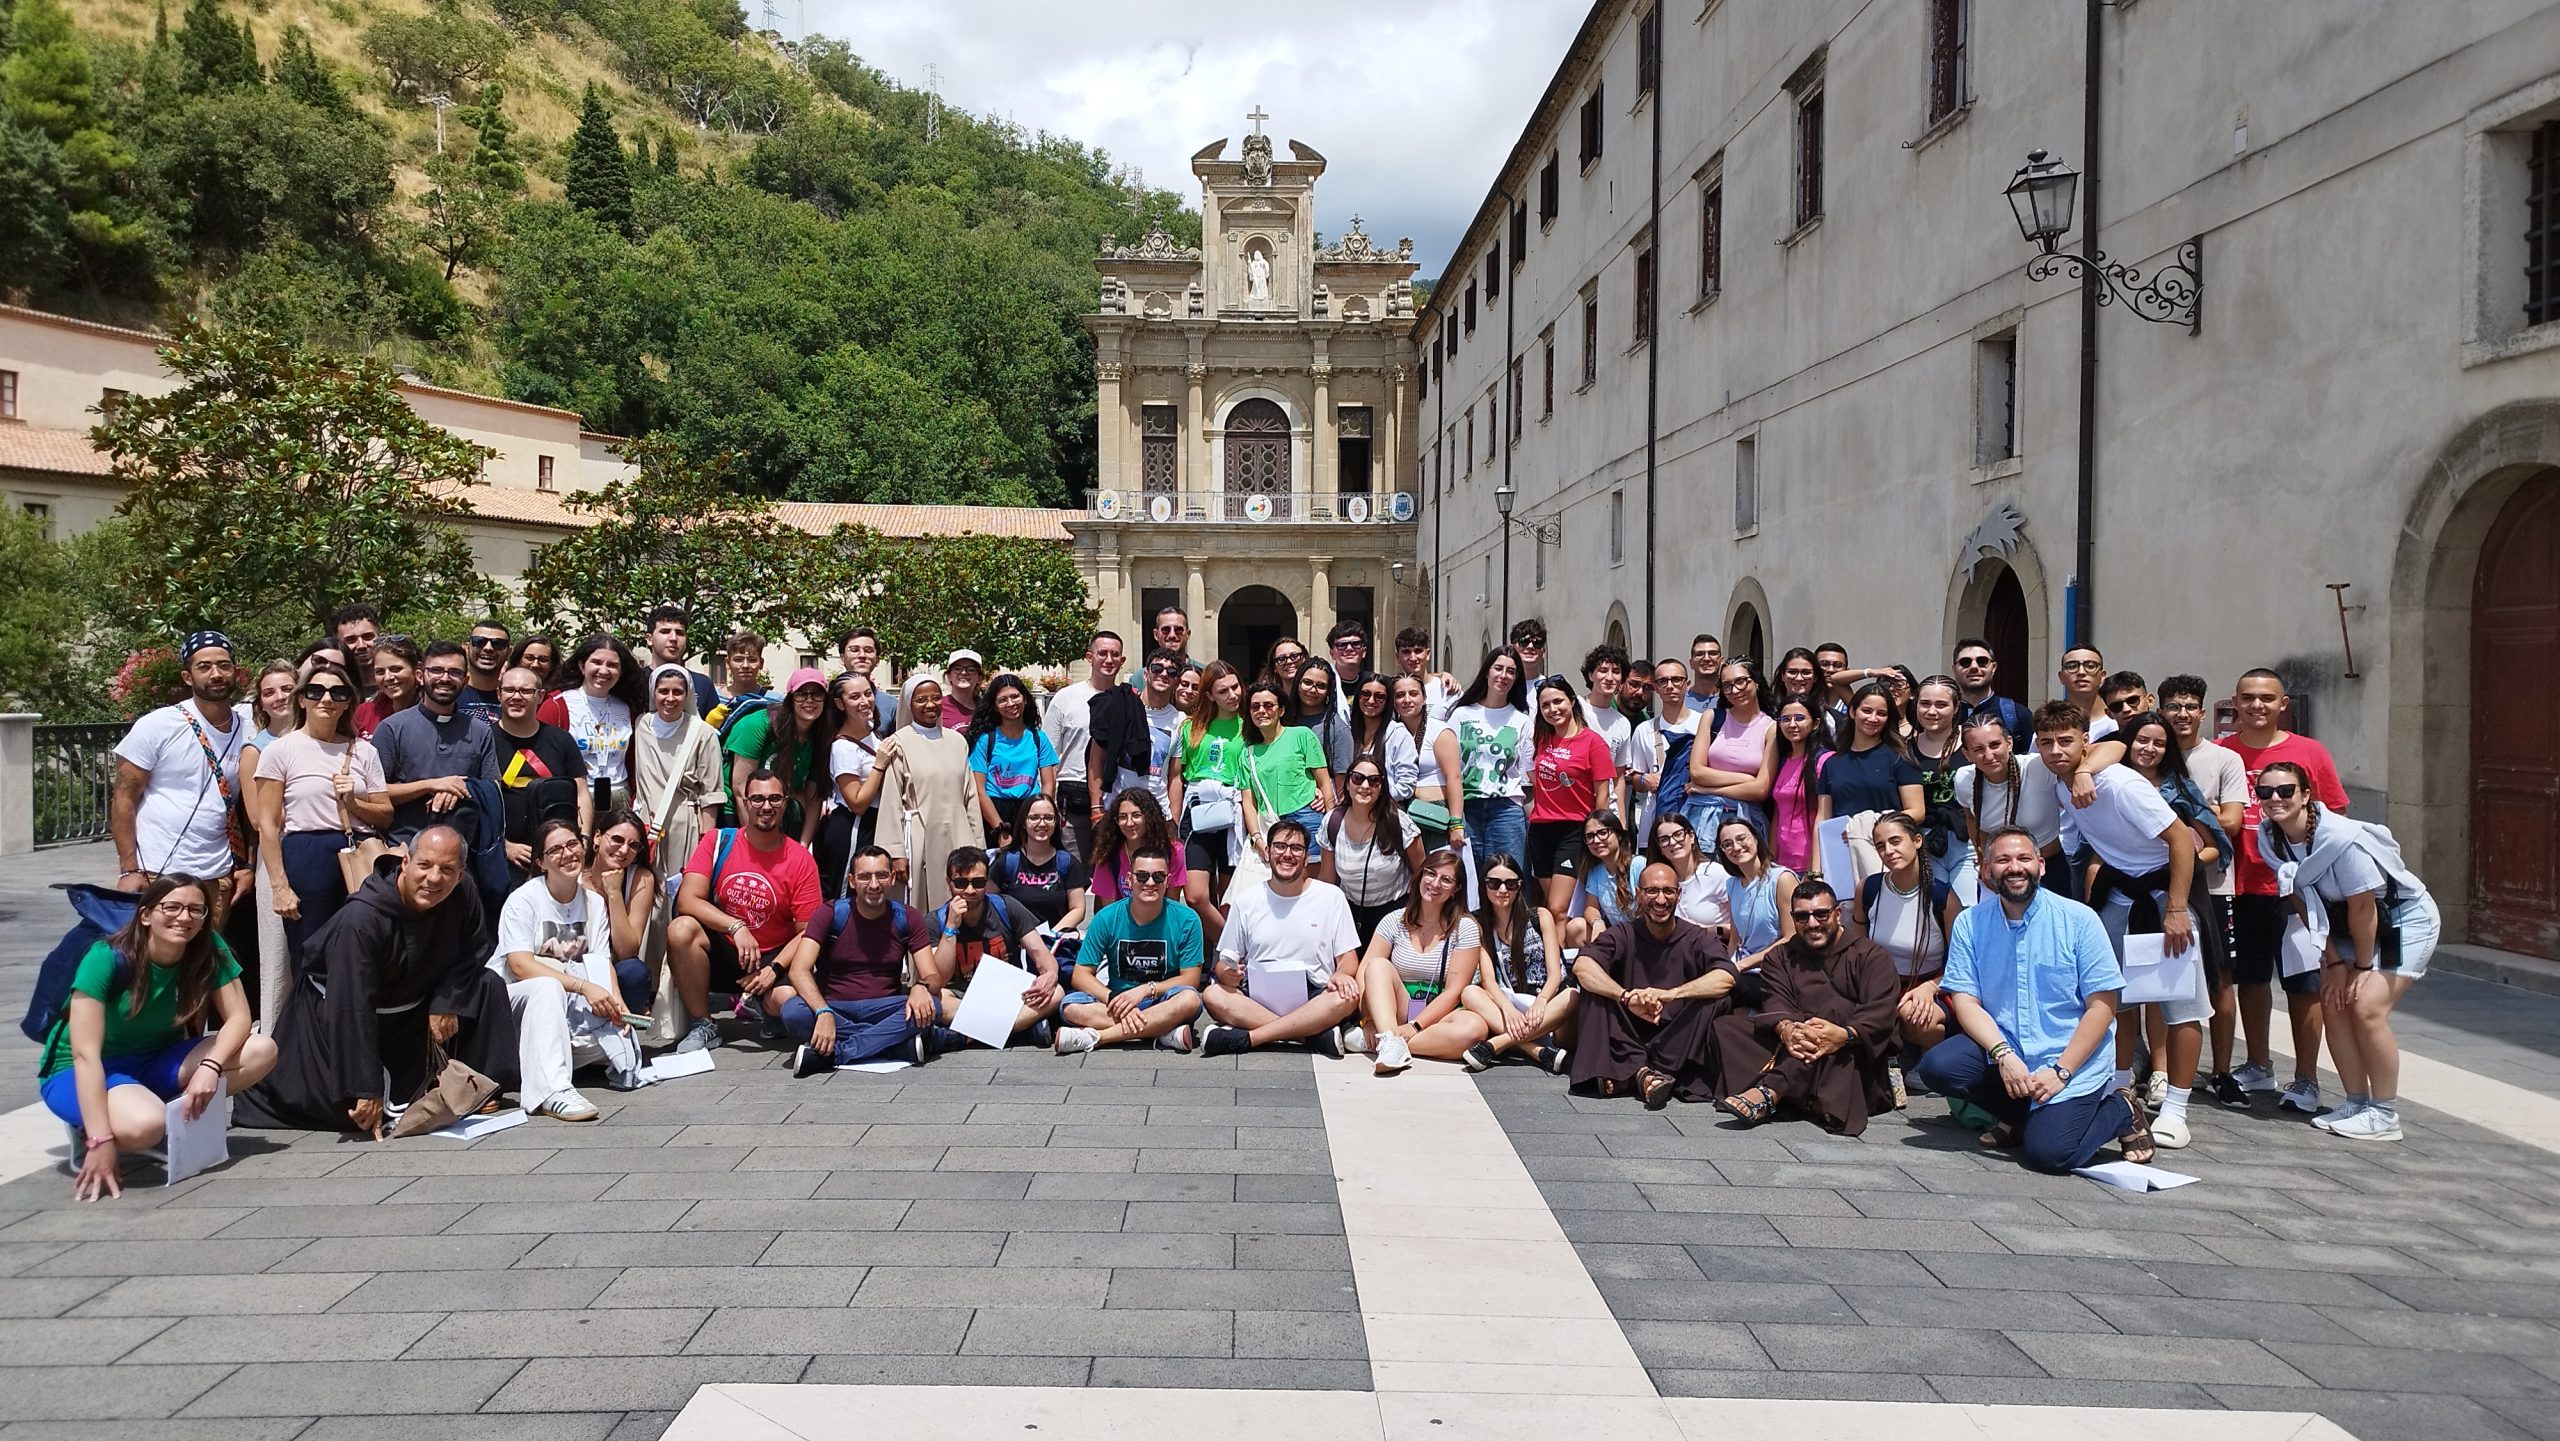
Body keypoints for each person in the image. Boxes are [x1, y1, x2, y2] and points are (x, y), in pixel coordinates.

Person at [235, 828, 520, 1134]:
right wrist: (365, 1087)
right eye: (424, 865)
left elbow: (474, 949)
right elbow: (352, 1005)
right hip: (336, 1014)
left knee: (487, 983)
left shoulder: (463, 891)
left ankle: (483, 1085)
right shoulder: (362, 919)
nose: (434, 878)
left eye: (447, 870)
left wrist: (446, 1000)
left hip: (410, 1006)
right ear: (406, 862)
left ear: (460, 873)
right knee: (352, 1116)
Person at [1914, 828, 2150, 1168]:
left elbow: (2102, 1007)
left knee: (2049, 1155)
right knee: (1939, 1067)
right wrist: (2003, 1054)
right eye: (2003, 860)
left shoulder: (2079, 920)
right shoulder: (1970, 923)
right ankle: (2017, 1115)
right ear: (1986, 870)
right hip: (2008, 1045)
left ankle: (2120, 1109)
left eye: (2024, 859)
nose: (2015, 868)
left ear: (2041, 866)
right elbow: (1966, 1000)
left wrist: (2061, 1072)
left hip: (2068, 1056)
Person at [41, 874, 279, 1201]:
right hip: (81, 1070)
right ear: (145, 914)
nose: (184, 917)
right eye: (172, 907)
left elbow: (239, 1018)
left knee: (261, 1050)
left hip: (157, 1058)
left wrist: (210, 1067)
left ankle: (156, 1116)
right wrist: (100, 1139)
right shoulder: (106, 956)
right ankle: (99, 1127)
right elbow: (85, 1055)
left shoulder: (207, 945)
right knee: (145, 1126)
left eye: (195, 910)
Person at [2034, 702, 2206, 1150]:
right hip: (2118, 893)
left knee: (2179, 1002)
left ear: (2084, 741)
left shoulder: (2119, 783)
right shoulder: (2057, 778)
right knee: (2113, 996)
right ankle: (2117, 1087)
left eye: (2066, 741)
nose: (2056, 750)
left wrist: (2176, 908)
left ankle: (2177, 1108)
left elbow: (2179, 839)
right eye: (2047, 742)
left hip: (2164, 891)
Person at [2257, 761, 2439, 1142]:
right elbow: (2300, 898)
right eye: (2265, 791)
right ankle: (2356, 1103)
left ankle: (2385, 1114)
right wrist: (2333, 961)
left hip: (2401, 919)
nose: (2275, 799)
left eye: (2286, 791)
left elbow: (2364, 908)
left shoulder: (2341, 840)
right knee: (2333, 1001)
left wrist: (2359, 967)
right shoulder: (2270, 836)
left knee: (2367, 1007)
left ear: (2306, 795)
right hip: (2339, 923)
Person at [2224, 668, 2349, 1115]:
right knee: (2251, 979)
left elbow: (2335, 818)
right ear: (2235, 702)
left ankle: (2307, 1079)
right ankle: (2258, 1064)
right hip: (2243, 886)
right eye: (2248, 697)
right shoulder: (2224, 753)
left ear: (2283, 704)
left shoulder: (2310, 752)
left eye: (2266, 698)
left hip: (2300, 893)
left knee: (2303, 984)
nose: (2256, 705)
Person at [1712, 880, 1899, 1134]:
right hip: (1795, 1041)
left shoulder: (1870, 956)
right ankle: (1806, 1094)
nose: (1812, 924)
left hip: (1850, 1049)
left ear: (1837, 913)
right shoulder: (1780, 956)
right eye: (1802, 917)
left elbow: (1881, 1011)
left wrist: (1844, 1034)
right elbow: (1775, 1000)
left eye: (1821, 914)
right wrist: (1787, 1029)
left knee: (1836, 1010)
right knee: (1726, 1027)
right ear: (1792, 919)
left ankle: (1772, 1090)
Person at [492, 820, 646, 1121]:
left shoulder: (594, 903)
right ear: (541, 862)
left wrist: (616, 1001)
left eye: (573, 844)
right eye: (555, 850)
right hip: (513, 1000)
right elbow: (519, 966)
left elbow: (600, 960)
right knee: (547, 987)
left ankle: (541, 1063)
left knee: (621, 1039)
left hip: (567, 1005)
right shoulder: (524, 900)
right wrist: (583, 987)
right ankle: (553, 1091)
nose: (567, 854)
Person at [664, 770, 825, 1053]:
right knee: (680, 930)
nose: (766, 806)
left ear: (785, 803)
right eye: (758, 799)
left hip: (773, 955)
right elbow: (687, 901)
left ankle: (768, 1010)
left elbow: (808, 931)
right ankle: (704, 1024)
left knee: (792, 1007)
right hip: (725, 949)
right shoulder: (717, 841)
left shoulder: (800, 859)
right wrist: (736, 926)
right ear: (745, 803)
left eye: (774, 799)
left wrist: (775, 969)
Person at [251, 662, 391, 971]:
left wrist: (353, 803)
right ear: (301, 699)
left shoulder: (364, 751)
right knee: (312, 954)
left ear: (348, 703)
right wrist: (280, 887)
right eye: (316, 691)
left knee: (365, 953)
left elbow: (385, 815)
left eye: (338, 693)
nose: (326, 699)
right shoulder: (280, 750)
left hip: (360, 855)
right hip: (307, 855)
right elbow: (268, 825)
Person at [2155, 673, 2251, 1107]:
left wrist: (2195, 813)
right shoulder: (2152, 751)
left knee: (2220, 978)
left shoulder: (2223, 759)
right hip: (2160, 885)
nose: (2182, 714)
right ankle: (2164, 1070)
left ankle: (2223, 1071)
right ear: (2161, 710)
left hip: (2213, 885)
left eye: (2190, 706)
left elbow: (2231, 821)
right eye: (2174, 707)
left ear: (2202, 711)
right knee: (2165, 977)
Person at [1570, 862, 1737, 1106]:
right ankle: (1647, 1075)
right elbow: (1582, 966)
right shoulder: (1623, 933)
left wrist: (1671, 994)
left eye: (1668, 891)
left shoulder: (1697, 937)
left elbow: (1726, 977)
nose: (1660, 900)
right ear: (1638, 894)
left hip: (1677, 1039)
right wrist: (1625, 996)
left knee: (1721, 999)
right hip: (1627, 1032)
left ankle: (1635, 1074)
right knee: (1594, 989)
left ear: (1679, 895)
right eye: (1652, 891)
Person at [112, 631, 248, 922]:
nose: (216, 674)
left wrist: (245, 865)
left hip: (218, 874)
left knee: (207, 950)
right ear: (188, 677)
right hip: (158, 871)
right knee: (159, 948)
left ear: (235, 672)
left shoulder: (249, 728)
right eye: (204, 667)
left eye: (224, 665)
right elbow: (123, 798)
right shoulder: (157, 725)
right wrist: (129, 869)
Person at [1201, 818, 1361, 1057]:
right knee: (1213, 994)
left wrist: (1342, 973)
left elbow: (1348, 957)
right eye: (1280, 847)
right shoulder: (1246, 900)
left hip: (1315, 994)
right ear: (1268, 853)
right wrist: (1228, 974)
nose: (1287, 854)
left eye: (1296, 848)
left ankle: (1250, 1038)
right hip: (1258, 995)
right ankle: (1310, 1035)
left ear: (1306, 858)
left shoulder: (1331, 897)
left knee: (1347, 996)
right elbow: (1223, 962)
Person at [777, 847, 935, 1074]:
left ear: (892, 878)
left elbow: (932, 975)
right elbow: (799, 970)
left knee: (932, 1005)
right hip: (835, 1007)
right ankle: (889, 1044)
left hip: (885, 1008)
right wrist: (822, 1011)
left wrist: (921, 987)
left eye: (881, 875)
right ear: (851, 881)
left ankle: (837, 1054)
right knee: (793, 1011)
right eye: (864, 877)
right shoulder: (830, 913)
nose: (874, 884)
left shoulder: (908, 917)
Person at [852, 674, 986, 914]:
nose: (930, 704)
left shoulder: (957, 741)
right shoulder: (899, 743)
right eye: (921, 699)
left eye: (936, 698)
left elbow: (970, 797)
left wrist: (978, 844)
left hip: (959, 834)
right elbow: (891, 800)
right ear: (909, 704)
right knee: (920, 909)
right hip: (918, 838)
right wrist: (895, 852)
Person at [1055, 843, 1206, 1054]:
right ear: (1129, 879)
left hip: (1163, 999)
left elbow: (1190, 979)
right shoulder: (1106, 917)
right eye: (1142, 876)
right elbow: (1081, 975)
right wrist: (1113, 999)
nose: (1150, 883)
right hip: (1117, 1002)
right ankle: (1161, 1031)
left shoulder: (1187, 919)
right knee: (1070, 1006)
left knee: (1190, 999)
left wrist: (1146, 990)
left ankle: (1098, 1037)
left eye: (1158, 877)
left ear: (1168, 880)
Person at [1357, 849, 1491, 1074]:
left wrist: (1415, 1026)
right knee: (1377, 966)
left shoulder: (1465, 928)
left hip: (1440, 1012)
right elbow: (1364, 973)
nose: (1435, 883)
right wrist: (1368, 1019)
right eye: (1431, 874)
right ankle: (1389, 1039)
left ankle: (1386, 1041)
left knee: (1474, 1029)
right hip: (1398, 1006)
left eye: (1446, 880)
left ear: (1456, 889)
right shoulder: (1394, 920)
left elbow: (1454, 991)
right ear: (1420, 876)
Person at [921, 847, 1060, 1052]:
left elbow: (1043, 957)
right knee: (936, 1000)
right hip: (961, 996)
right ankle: (1020, 1030)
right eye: (961, 883)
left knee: (1057, 991)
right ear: (948, 883)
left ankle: (966, 1036)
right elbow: (939, 979)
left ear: (987, 882)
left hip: (1008, 993)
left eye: (978, 883)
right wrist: (950, 927)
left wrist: (1050, 974)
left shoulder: (1007, 907)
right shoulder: (934, 921)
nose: (969, 891)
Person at [1852, 812, 1963, 1059]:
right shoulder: (1868, 889)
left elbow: (1961, 963)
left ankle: (1932, 1060)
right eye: (1880, 846)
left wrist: (1930, 988)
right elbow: (1858, 949)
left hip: (1932, 984)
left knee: (1914, 1018)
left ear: (1917, 841)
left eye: (1895, 841)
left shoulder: (1942, 897)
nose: (1888, 851)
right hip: (1881, 983)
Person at [372, 641, 500, 845]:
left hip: (462, 850)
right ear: (420, 676)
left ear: (465, 681)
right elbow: (374, 793)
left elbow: (493, 790)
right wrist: (430, 785)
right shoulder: (392, 728)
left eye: (454, 672)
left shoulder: (480, 731)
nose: (445, 678)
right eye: (436, 671)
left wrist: (460, 788)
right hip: (403, 848)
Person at [1459, 853, 1574, 1070]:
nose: (1502, 890)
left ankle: (1496, 1044)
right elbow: (1488, 979)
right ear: (1484, 886)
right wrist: (1507, 1009)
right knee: (1469, 993)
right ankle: (1538, 1052)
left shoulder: (1540, 916)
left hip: (1549, 1006)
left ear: (1519, 886)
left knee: (1572, 996)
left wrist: (1541, 1001)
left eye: (1510, 884)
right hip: (1512, 1008)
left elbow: (1555, 973)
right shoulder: (1479, 925)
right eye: (1494, 883)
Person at [631, 663, 727, 915]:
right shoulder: (642, 725)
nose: (670, 698)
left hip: (684, 824)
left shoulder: (703, 733)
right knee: (643, 894)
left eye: (677, 692)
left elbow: (711, 792)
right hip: (644, 822)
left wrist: (707, 840)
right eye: (663, 691)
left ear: (688, 695)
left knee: (677, 896)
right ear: (653, 693)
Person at [1814, 682, 1924, 890]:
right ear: (1853, 712)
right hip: (1841, 855)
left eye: (1881, 713)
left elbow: (1917, 811)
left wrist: (1868, 825)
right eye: (1867, 711)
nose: (1873, 718)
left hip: (1886, 853)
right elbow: (1822, 820)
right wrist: (1816, 871)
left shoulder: (1900, 758)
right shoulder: (1832, 763)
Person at [1526, 675, 1617, 924]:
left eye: (1558, 701)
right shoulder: (1540, 740)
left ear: (1572, 701)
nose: (1553, 709)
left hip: (1575, 829)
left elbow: (1602, 795)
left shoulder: (1593, 742)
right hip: (1541, 830)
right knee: (1550, 910)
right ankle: (1559, 948)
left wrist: (1597, 834)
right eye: (1545, 705)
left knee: (1558, 908)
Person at [1166, 660, 1247, 925]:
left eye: (1235, 687)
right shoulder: (1190, 727)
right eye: (1223, 691)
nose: (1232, 695)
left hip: (1235, 811)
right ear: (1210, 695)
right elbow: (1176, 776)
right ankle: (1229, 944)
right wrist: (1173, 821)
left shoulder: (1249, 726)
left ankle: (1222, 950)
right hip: (1197, 808)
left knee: (1228, 897)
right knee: (1196, 896)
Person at [491, 666, 589, 876]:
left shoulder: (561, 740)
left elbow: (581, 792)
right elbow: (479, 802)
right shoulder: (484, 740)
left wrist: (584, 839)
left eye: (526, 691)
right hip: (504, 858)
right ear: (499, 694)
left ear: (540, 696)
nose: (516, 697)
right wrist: (504, 845)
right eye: (509, 690)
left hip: (559, 856)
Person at [540, 634, 645, 821]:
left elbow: (634, 761)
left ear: (621, 671)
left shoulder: (628, 708)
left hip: (620, 798)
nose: (603, 670)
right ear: (582, 666)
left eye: (612, 665)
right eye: (596, 662)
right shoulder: (557, 705)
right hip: (575, 799)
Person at [1317, 759, 1424, 943]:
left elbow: (1421, 874)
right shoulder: (1332, 822)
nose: (1365, 786)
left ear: (1382, 787)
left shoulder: (1399, 823)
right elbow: (1327, 879)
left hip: (1395, 916)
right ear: (1348, 783)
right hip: (1350, 915)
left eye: (1374, 781)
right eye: (1358, 778)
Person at [1954, 713, 2063, 892]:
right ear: (1967, 754)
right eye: (1978, 749)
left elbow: (2102, 749)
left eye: (1995, 745)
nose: (1989, 755)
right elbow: (1972, 819)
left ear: (2009, 743)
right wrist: (1984, 860)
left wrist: (2084, 773)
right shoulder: (1964, 779)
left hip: (2050, 869)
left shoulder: (2037, 766)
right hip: (2000, 873)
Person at [1044, 632, 1127, 861]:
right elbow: (1048, 756)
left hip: (1113, 796)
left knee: (1110, 872)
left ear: (1122, 660)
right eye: (1102, 653)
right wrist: (1048, 803)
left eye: (1115, 655)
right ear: (1090, 657)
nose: (1109, 660)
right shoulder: (1065, 698)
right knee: (1072, 868)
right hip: (1072, 798)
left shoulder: (1127, 699)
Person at [725, 667, 831, 844]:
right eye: (801, 694)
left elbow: (814, 799)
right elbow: (740, 789)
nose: (809, 700)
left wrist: (803, 846)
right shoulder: (757, 725)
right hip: (735, 811)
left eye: (817, 694)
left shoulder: (820, 737)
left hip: (778, 810)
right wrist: (756, 843)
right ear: (790, 698)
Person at [1239, 680, 1336, 866]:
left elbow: (1324, 783)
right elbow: (1249, 803)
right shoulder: (1247, 753)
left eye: (1268, 705)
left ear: (1281, 710)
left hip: (1307, 816)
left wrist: (1331, 822)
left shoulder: (1302, 735)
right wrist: (1257, 839)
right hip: (1271, 826)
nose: (1261, 711)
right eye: (1255, 706)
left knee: (1313, 877)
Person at [967, 674, 1058, 848]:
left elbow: (1049, 784)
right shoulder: (986, 740)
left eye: (1015, 696)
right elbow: (979, 790)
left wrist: (1041, 816)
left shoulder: (1039, 738)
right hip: (994, 812)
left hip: (1030, 811)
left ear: (1025, 699)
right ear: (995, 706)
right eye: (1002, 700)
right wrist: (1000, 831)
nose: (1010, 704)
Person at [1688, 660, 1776, 838]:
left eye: (1741, 681)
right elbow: (1697, 772)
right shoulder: (1712, 718)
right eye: (1727, 686)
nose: (1735, 690)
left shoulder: (1771, 728)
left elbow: (1761, 790)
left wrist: (1708, 789)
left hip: (1747, 822)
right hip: (1703, 820)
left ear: (1756, 682)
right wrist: (1747, 779)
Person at [586, 812, 660, 1018]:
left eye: (633, 845)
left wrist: (614, 893)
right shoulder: (575, 876)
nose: (624, 850)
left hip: (617, 965)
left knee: (635, 972)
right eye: (617, 839)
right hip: (578, 964)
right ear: (597, 837)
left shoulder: (641, 878)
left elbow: (627, 951)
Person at [816, 671, 883, 897]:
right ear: (839, 703)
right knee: (847, 895)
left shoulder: (875, 733)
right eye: (854, 697)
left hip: (875, 824)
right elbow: (857, 802)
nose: (864, 701)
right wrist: (880, 765)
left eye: (868, 694)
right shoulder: (843, 748)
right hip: (854, 826)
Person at [1908, 676, 1976, 898]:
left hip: (1968, 839)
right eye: (1925, 704)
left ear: (1955, 708)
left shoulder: (1973, 742)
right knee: (1933, 908)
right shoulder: (1905, 749)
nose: (1931, 711)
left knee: (1968, 908)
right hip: (1925, 841)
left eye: (1941, 704)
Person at [993, 795, 1089, 933]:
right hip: (1016, 940)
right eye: (1034, 818)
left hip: (1055, 940)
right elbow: (989, 902)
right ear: (1023, 822)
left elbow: (1078, 909)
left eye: (1048, 818)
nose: (1042, 823)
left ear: (1056, 822)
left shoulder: (1068, 862)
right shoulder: (1006, 862)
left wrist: (1050, 936)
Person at [1395, 673, 1463, 855]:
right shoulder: (1392, 731)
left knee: (1438, 868)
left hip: (1436, 814)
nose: (1407, 700)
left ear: (1424, 698)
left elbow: (1454, 777)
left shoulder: (1439, 730)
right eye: (1400, 695)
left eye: (1413, 694)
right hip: (1402, 814)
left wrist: (1456, 824)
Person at [1091, 787, 1191, 910]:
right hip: (1123, 918)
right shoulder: (1108, 852)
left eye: (1136, 815)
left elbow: (1171, 904)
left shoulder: (1173, 851)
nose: (1129, 823)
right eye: (1122, 817)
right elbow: (1110, 910)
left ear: (1149, 817)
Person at [1767, 698, 1832, 875]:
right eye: (1785, 719)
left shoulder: (1825, 760)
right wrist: (1771, 860)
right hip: (1782, 865)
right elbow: (1778, 814)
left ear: (1816, 723)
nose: (1792, 724)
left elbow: (1824, 816)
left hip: (1813, 864)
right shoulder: (1782, 760)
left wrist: (1814, 870)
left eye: (1799, 718)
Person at [1635, 658, 1696, 839]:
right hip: (1654, 821)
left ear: (1687, 684)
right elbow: (1634, 778)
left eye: (1676, 680)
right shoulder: (1644, 729)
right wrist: (1645, 779)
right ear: (1656, 688)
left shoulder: (1704, 723)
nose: (1670, 686)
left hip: (1695, 820)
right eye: (1663, 681)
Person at [1650, 812, 1733, 945]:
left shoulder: (1715, 874)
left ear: (1692, 837)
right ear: (1660, 848)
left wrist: (1708, 931)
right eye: (1664, 839)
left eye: (1678, 834)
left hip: (1715, 948)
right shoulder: (1662, 881)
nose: (1673, 842)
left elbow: (1741, 927)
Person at [1118, 649, 1188, 807]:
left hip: (1157, 809)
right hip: (1119, 806)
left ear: (1176, 681)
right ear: (1145, 674)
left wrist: (1173, 819)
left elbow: (1175, 777)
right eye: (1157, 668)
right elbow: (1099, 758)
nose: (1163, 674)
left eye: (1171, 671)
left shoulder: (1180, 720)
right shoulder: (1124, 706)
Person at [1571, 809, 1641, 947]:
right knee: (1575, 928)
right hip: (1617, 936)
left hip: (1641, 938)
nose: (1596, 840)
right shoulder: (1595, 871)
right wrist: (1597, 922)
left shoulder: (1638, 865)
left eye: (1603, 832)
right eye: (1590, 836)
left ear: (1619, 835)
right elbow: (1591, 907)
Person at [1345, 673, 1419, 802]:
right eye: (1365, 694)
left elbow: (1406, 784)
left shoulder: (1398, 734)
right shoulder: (1347, 731)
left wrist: (1374, 800)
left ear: (1387, 701)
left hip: (1386, 809)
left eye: (1379, 696)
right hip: (1351, 808)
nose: (1371, 701)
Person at [1579, 645, 1635, 803]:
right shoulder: (1575, 708)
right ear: (1591, 675)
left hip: (1608, 807)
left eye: (1616, 671)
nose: (1609, 678)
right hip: (1577, 804)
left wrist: (1621, 816)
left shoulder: (1622, 723)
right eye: (1603, 670)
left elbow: (1618, 778)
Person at [644, 604, 720, 717]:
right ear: (649, 639)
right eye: (665, 631)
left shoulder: (703, 684)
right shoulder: (633, 681)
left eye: (679, 633)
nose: (673, 638)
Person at [1286, 657, 1354, 776]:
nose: (1313, 690)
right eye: (1307, 683)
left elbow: (1342, 783)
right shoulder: (1284, 721)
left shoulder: (1338, 730)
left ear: (1329, 691)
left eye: (1321, 686)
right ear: (1297, 683)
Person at [1951, 637, 2030, 739]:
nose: (1974, 667)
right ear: (1954, 670)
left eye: (1982, 661)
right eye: (1965, 662)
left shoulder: (2019, 714)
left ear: (1993, 667)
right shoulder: (1943, 716)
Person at [350, 634, 419, 739]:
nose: (388, 677)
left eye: (396, 669)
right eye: (380, 671)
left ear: (417, 670)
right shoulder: (364, 712)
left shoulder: (432, 712)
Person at [1393, 626, 1460, 723]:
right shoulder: (1390, 690)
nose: (1413, 658)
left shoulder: (1448, 689)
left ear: (1428, 654)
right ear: (1398, 657)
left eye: (1418, 651)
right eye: (1406, 652)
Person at [2057, 646, 2115, 739]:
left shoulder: (2119, 722)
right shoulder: (2048, 726)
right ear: (2061, 677)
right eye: (2072, 666)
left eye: (2090, 666)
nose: (2081, 672)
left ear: (2102, 676)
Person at [710, 630, 768, 724]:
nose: (745, 665)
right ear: (727, 663)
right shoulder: (712, 699)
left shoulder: (776, 701)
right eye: (738, 660)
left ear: (761, 663)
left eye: (752, 660)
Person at [459, 619, 512, 718]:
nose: (488, 648)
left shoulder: (516, 698)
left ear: (509, 651)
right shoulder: (449, 693)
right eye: (479, 642)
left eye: (498, 644)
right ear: (466, 648)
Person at [329, 604, 383, 690]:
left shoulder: (399, 686)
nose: (361, 645)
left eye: (368, 637)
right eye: (351, 640)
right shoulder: (333, 689)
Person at [1325, 620, 1371, 705]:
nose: (1349, 648)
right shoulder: (1323, 683)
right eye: (1342, 645)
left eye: (1356, 644)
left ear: (1364, 652)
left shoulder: (1373, 684)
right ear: (1332, 654)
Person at [1681, 635, 1725, 717]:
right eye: (1700, 654)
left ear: (1721, 661)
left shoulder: (1732, 699)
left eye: (1713, 653)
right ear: (1691, 663)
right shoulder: (1680, 701)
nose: (1706, 658)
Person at [1509, 618, 1553, 691]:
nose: (1530, 646)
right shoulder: (1501, 686)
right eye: (1524, 641)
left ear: (1543, 651)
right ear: (1511, 648)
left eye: (1537, 643)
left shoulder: (1552, 690)